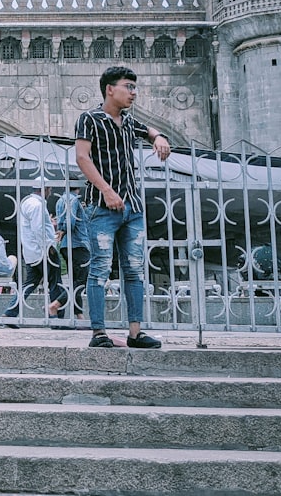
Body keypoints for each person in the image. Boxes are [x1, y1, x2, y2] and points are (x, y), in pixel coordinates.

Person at [76, 66, 171, 349]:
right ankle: (99, 333)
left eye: (134, 87)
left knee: (134, 270)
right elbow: (82, 158)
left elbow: (148, 129)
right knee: (100, 270)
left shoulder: (128, 122)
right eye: (128, 86)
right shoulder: (89, 119)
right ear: (110, 89)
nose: (133, 92)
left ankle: (135, 332)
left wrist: (158, 137)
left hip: (133, 207)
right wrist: (107, 191)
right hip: (102, 206)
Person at [3, 179, 67, 323]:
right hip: (43, 251)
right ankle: (58, 319)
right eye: (49, 189)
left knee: (29, 284)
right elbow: (39, 229)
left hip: (31, 252)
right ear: (46, 189)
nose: (50, 192)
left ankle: (10, 314)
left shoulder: (27, 203)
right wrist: (48, 246)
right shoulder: (37, 205)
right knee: (55, 283)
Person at [56, 180, 90, 319]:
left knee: (76, 280)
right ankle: (56, 304)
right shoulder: (73, 200)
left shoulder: (60, 200)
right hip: (78, 244)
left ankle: (79, 316)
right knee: (82, 280)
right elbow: (71, 222)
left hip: (66, 246)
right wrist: (64, 230)